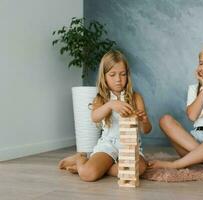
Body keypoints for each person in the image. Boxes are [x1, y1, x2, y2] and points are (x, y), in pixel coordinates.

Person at [58, 50, 152, 181]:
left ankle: (101, 167)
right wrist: (110, 105)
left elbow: (146, 130)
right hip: (108, 144)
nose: (118, 80)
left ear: (128, 75)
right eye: (112, 75)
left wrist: (144, 121)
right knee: (87, 174)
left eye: (123, 74)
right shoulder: (101, 99)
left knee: (140, 169)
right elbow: (94, 117)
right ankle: (81, 159)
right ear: (104, 76)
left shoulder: (136, 97)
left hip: (131, 146)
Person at [148, 43, 203, 180]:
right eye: (200, 63)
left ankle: (176, 164)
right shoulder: (193, 88)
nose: (202, 68)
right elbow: (192, 116)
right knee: (165, 120)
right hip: (194, 143)